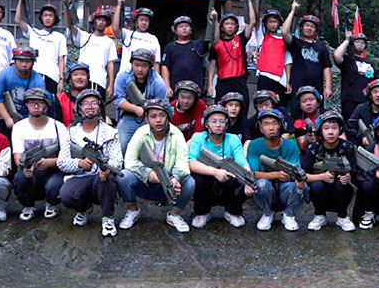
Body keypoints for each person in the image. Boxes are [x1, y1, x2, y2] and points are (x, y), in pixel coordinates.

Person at [117, 99, 195, 233]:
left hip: (169, 183)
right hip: (145, 182)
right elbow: (129, 160)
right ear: (146, 119)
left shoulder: (177, 135)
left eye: (162, 115)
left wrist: (176, 178)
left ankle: (174, 215)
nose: (158, 120)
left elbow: (182, 162)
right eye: (153, 116)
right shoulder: (141, 133)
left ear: (168, 117)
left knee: (190, 182)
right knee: (123, 176)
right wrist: (148, 174)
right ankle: (133, 210)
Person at [56, 89, 122, 236]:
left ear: (100, 107)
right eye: (85, 103)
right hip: (80, 177)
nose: (90, 107)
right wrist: (79, 164)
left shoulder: (111, 132)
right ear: (79, 108)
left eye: (94, 103)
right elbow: (62, 162)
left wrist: (108, 170)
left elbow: (117, 160)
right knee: (66, 194)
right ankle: (83, 209)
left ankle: (108, 217)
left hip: (101, 178)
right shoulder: (71, 133)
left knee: (109, 181)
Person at [188, 105, 255, 228]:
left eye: (222, 121)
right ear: (206, 123)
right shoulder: (198, 137)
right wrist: (214, 172)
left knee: (240, 179)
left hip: (228, 177)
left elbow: (242, 161)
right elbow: (191, 162)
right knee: (196, 178)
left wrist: (248, 180)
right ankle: (202, 211)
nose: (218, 125)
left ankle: (233, 211)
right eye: (213, 121)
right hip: (207, 176)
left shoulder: (233, 139)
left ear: (227, 123)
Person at [245, 109, 308, 231]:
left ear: (281, 125)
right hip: (266, 187)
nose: (271, 128)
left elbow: (296, 170)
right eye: (266, 124)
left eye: (274, 123)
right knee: (260, 184)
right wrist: (275, 175)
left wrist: (295, 178)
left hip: (286, 186)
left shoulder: (291, 145)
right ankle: (267, 213)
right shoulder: (254, 145)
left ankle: (289, 214)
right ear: (260, 128)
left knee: (302, 187)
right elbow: (252, 174)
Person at [12, 88, 69, 221]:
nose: (36, 106)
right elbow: (17, 155)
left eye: (40, 102)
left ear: (47, 105)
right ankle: (28, 205)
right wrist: (25, 166)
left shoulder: (58, 127)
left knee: (54, 184)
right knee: (20, 178)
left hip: (53, 169)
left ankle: (51, 203)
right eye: (31, 102)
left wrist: (49, 162)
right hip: (31, 169)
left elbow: (66, 156)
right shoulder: (19, 127)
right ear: (26, 105)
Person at [300, 111, 356, 231]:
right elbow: (303, 175)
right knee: (316, 186)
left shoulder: (348, 147)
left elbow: (354, 171)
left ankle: (342, 216)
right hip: (320, 189)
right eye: (326, 128)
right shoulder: (313, 148)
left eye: (334, 128)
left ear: (340, 129)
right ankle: (319, 215)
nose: (330, 132)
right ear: (320, 131)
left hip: (341, 189)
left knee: (342, 185)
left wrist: (347, 177)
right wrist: (321, 177)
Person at [62, 0, 118, 101]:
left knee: (96, 106)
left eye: (104, 20)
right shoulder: (84, 36)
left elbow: (111, 65)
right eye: (99, 19)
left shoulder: (109, 42)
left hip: (99, 80)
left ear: (107, 23)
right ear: (94, 21)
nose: (101, 22)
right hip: (82, 80)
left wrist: (111, 85)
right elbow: (69, 24)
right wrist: (66, 6)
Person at [14, 0, 67, 94]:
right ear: (41, 17)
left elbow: (61, 60)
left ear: (55, 18)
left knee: (49, 102)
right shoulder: (33, 32)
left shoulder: (60, 37)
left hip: (53, 76)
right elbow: (18, 20)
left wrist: (62, 79)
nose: (48, 18)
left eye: (50, 15)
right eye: (45, 15)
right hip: (34, 74)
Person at [114, 48, 168, 152]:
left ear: (150, 67)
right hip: (128, 116)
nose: (140, 69)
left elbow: (162, 106)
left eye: (144, 66)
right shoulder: (123, 76)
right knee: (121, 145)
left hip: (150, 118)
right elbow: (118, 99)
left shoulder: (158, 82)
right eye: (136, 65)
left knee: (150, 148)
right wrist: (135, 109)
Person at [281, 1, 332, 107]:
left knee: (316, 112)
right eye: (307, 25)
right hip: (297, 85)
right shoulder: (295, 43)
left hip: (316, 87)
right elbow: (284, 32)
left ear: (316, 30)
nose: (309, 28)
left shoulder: (321, 46)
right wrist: (293, 11)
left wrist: (328, 87)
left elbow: (326, 67)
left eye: (312, 26)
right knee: (296, 113)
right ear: (301, 27)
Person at [207, 7, 253, 112]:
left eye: (232, 24)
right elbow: (212, 66)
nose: (230, 26)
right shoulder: (217, 45)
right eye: (227, 24)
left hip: (239, 81)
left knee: (242, 109)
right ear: (222, 27)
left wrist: (250, 0)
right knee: (221, 110)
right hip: (223, 82)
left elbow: (252, 22)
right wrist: (210, 85)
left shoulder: (240, 39)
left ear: (236, 27)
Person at [0, 46, 46, 135]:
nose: (24, 65)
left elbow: (40, 103)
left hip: (29, 117)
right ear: (15, 61)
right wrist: (7, 118)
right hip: (8, 114)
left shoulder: (38, 80)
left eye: (28, 61)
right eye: (20, 61)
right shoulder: (4, 74)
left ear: (33, 62)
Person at [161, 15, 212, 96]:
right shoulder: (170, 47)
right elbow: (165, 67)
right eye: (181, 26)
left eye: (187, 26)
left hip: (196, 89)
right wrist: (167, 86)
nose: (184, 28)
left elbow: (212, 40)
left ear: (191, 29)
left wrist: (212, 20)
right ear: (175, 31)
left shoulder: (199, 44)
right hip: (176, 89)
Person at [113, 0, 161, 75]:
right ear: (136, 22)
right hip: (126, 76)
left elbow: (156, 62)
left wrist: (156, 79)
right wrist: (119, 6)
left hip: (145, 78)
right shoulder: (127, 34)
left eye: (146, 20)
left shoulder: (153, 39)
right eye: (141, 20)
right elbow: (115, 29)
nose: (144, 22)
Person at [333, 31, 376, 121]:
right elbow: (337, 55)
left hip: (367, 100)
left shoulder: (369, 62)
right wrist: (347, 40)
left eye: (363, 42)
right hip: (350, 100)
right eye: (357, 41)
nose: (360, 44)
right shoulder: (347, 60)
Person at [346, 79, 379, 147]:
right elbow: (349, 128)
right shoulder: (361, 109)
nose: (378, 95)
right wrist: (361, 138)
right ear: (370, 95)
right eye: (375, 92)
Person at [55, 62, 94, 127]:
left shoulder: (94, 99)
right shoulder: (60, 99)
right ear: (69, 79)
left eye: (83, 74)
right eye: (75, 75)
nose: (79, 77)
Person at [292, 86, 323, 153]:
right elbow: (302, 147)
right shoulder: (299, 121)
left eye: (311, 100)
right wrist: (307, 139)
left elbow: (342, 138)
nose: (308, 103)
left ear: (318, 101)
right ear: (300, 105)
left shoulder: (327, 115)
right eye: (304, 101)